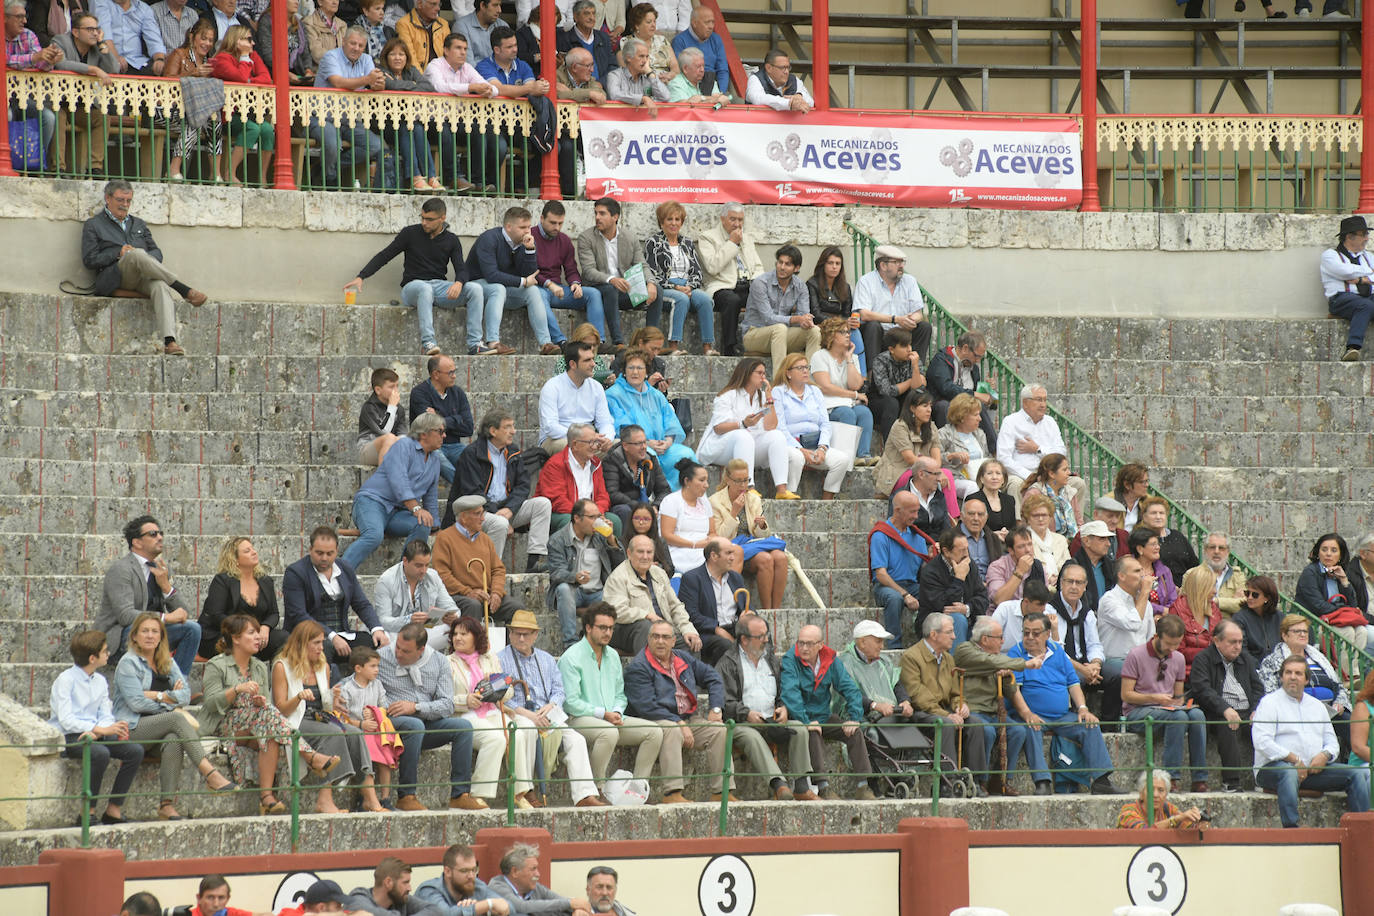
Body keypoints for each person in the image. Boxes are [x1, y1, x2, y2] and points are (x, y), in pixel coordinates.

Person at [80, 181, 208, 356]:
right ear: (108, 198)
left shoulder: (138, 224)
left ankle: (170, 341)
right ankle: (183, 289)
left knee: (160, 286)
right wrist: (119, 252)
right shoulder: (93, 225)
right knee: (135, 254)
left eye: (128, 201)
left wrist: (147, 260)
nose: (125, 205)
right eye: (120, 200)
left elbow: (156, 252)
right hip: (113, 277)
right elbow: (89, 260)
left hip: (141, 278)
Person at [197, 614, 309, 814]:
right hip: (224, 724)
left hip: (254, 726)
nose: (258, 637)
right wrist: (237, 689)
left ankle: (266, 797)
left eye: (258, 632)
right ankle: (310, 754)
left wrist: (259, 701)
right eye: (252, 633)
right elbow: (211, 703)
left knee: (271, 734)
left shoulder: (258, 666)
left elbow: (265, 704)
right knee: (267, 720)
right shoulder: (216, 665)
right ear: (236, 638)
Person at [498, 609, 609, 808]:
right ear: (510, 634)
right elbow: (501, 698)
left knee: (576, 740)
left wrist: (551, 706)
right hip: (519, 714)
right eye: (516, 633)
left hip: (548, 714)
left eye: (526, 633)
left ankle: (585, 795)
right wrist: (531, 715)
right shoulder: (500, 659)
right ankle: (528, 791)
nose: (521, 638)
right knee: (528, 729)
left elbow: (559, 690)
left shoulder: (547, 659)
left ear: (535, 635)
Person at [1007, 612, 1123, 795]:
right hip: (1033, 713)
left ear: (1047, 634)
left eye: (1035, 633)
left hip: (1062, 715)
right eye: (1026, 632)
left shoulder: (1058, 651)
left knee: (1090, 725)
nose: (1029, 637)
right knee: (1031, 727)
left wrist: (1083, 708)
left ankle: (1101, 780)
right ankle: (1042, 782)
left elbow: (1073, 683)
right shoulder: (1016, 653)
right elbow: (1014, 690)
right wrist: (1027, 713)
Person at [270, 621, 377, 814]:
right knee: (334, 732)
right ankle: (324, 799)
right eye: (316, 643)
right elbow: (280, 711)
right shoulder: (282, 666)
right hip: (294, 719)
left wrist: (333, 700)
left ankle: (370, 797)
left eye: (322, 642)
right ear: (302, 644)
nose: (321, 648)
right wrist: (298, 697)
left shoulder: (323, 666)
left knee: (354, 732)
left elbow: (324, 706)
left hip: (318, 717)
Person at [1253, 654, 1370, 827]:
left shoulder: (1317, 706)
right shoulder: (1268, 703)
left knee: (1357, 774)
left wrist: (1325, 755)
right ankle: (1292, 830)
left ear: (1307, 679)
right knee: (1288, 772)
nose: (1293, 677)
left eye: (1298, 673)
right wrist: (1294, 759)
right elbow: (1262, 741)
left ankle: (1362, 829)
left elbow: (1331, 741)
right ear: (1281, 676)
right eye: (1288, 672)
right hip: (1273, 769)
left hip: (1313, 770)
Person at [558, 603, 666, 790]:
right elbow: (570, 703)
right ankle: (595, 789)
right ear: (588, 628)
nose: (608, 633)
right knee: (608, 733)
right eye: (602, 628)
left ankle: (637, 790)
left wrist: (615, 711)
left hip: (610, 718)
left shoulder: (613, 656)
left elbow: (620, 695)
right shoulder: (571, 657)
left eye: (610, 628)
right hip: (577, 719)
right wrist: (603, 714)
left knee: (654, 732)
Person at [625, 619, 731, 802]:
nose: (660, 641)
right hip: (655, 720)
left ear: (674, 641)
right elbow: (646, 706)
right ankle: (672, 793)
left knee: (720, 731)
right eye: (655, 636)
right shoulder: (638, 666)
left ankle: (721, 792)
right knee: (672, 731)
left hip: (688, 718)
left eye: (665, 637)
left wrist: (715, 708)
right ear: (648, 639)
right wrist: (678, 722)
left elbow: (713, 677)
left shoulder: (682, 657)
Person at [377, 621, 478, 811]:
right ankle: (406, 796)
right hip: (392, 723)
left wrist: (416, 707)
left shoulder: (439, 661)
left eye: (406, 651)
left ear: (421, 649)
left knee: (463, 727)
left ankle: (460, 794)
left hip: (424, 722)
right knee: (414, 725)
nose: (398, 653)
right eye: (397, 646)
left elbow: (447, 705)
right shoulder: (382, 657)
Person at [714, 613, 816, 799]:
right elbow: (724, 702)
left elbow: (782, 691)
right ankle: (779, 784)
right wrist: (746, 714)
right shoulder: (727, 663)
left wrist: (783, 707)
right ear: (744, 640)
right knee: (752, 736)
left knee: (799, 729)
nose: (766, 640)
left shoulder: (771, 659)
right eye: (760, 637)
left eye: (766, 635)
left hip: (772, 720)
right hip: (741, 723)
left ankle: (802, 787)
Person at [49, 630, 144, 826]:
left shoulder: (99, 680)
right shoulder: (65, 680)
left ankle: (113, 809)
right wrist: (98, 730)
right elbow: (66, 720)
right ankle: (87, 812)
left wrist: (111, 727)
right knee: (100, 753)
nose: (108, 653)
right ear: (93, 658)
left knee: (134, 751)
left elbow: (105, 713)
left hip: (95, 732)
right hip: (69, 736)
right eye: (105, 651)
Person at [448, 409, 552, 573]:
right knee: (500, 523)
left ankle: (534, 563)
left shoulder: (513, 451)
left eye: (513, 426)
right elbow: (473, 492)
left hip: (506, 509)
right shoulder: (472, 453)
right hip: (475, 512)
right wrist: (499, 514)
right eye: (508, 427)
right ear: (493, 431)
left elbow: (523, 486)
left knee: (542, 504)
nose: (514, 431)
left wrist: (510, 510)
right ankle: (491, 572)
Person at [779, 624, 877, 799]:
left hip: (824, 716)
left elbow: (850, 689)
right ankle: (823, 786)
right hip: (800, 717)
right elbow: (790, 694)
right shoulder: (790, 659)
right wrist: (806, 721)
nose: (804, 648)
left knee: (855, 732)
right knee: (813, 733)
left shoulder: (830, 659)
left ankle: (863, 785)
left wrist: (854, 718)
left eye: (809, 644)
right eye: (800, 643)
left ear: (820, 645)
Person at [97, 515, 201, 678]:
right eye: (153, 534)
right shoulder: (121, 569)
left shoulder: (161, 568)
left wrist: (166, 586)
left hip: (152, 633)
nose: (159, 538)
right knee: (142, 630)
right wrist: (165, 618)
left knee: (192, 629)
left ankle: (176, 685)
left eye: (161, 533)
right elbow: (125, 616)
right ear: (137, 542)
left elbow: (183, 612)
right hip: (120, 638)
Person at [340, 412, 444, 572]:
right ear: (424, 433)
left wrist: (435, 526)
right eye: (440, 431)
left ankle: (403, 576)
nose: (444, 435)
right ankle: (338, 576)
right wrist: (416, 508)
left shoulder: (435, 460)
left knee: (424, 523)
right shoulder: (403, 446)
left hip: (399, 512)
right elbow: (399, 480)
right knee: (374, 535)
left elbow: (431, 495)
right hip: (373, 502)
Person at [952, 616, 1044, 796]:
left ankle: (1001, 778)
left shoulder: (1000, 658)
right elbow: (986, 662)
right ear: (985, 639)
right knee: (986, 731)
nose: (1003, 641)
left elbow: (1010, 689)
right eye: (999, 637)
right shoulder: (965, 650)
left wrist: (1007, 675)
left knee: (1017, 731)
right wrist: (1023, 664)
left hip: (994, 712)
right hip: (973, 710)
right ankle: (979, 779)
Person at [899, 613, 989, 796]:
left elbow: (955, 692)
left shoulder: (948, 658)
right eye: (949, 632)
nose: (954, 636)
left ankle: (975, 780)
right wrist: (946, 714)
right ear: (934, 635)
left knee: (977, 724)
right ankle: (947, 781)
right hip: (921, 713)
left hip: (943, 711)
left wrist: (959, 705)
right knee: (946, 725)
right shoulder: (911, 657)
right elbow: (918, 696)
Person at [282, 526, 390, 672]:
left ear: (337, 551)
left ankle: (365, 690)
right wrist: (331, 636)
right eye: (319, 553)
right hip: (308, 637)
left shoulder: (344, 568)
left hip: (342, 632)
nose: (324, 558)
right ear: (310, 550)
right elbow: (299, 615)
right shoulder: (296, 573)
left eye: (329, 553)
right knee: (324, 647)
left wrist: (377, 628)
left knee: (371, 642)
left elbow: (361, 604)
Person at [1120, 614, 1209, 791]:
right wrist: (1155, 698)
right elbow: (1126, 695)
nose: (1172, 648)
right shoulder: (1136, 655)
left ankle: (1200, 778)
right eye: (1168, 643)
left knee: (1197, 715)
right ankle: (1171, 777)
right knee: (1178, 717)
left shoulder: (1178, 658)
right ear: (1156, 637)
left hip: (1167, 708)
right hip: (1138, 710)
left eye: (1176, 644)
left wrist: (1181, 703)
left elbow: (1178, 694)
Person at [445, 616, 527, 808]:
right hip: (463, 716)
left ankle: (519, 792)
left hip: (491, 711)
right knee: (496, 738)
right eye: (455, 634)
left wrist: (496, 684)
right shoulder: (447, 662)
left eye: (464, 634)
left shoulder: (489, 658)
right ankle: (478, 793)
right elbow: (442, 699)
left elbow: (509, 692)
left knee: (518, 734)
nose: (458, 638)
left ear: (476, 637)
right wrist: (465, 700)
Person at [469, 205, 565, 357]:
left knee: (533, 291)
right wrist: (522, 281)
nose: (527, 231)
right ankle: (493, 342)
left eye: (528, 226)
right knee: (498, 288)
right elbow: (492, 275)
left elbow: (529, 275)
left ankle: (545, 343)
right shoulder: (489, 239)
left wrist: (530, 250)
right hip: (476, 287)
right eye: (522, 227)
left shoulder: (524, 242)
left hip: (504, 289)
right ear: (508, 227)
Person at [696, 358, 796, 499]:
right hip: (721, 447)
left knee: (777, 436)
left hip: (748, 448)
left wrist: (769, 401)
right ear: (748, 373)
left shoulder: (761, 397)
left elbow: (770, 426)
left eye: (764, 374)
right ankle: (749, 488)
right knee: (743, 435)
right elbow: (718, 428)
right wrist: (742, 424)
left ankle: (781, 490)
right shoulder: (728, 395)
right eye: (759, 373)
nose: (763, 377)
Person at [310, 26, 392, 190]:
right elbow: (338, 82)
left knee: (376, 146)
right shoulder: (330, 56)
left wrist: (379, 83)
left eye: (361, 45)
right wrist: (369, 79)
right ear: (344, 41)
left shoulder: (366, 59)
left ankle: (325, 169)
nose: (356, 48)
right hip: (322, 116)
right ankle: (329, 180)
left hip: (350, 119)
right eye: (353, 44)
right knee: (333, 144)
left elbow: (373, 83)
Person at [1257, 614, 1351, 755]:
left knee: (1356, 725)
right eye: (1297, 631)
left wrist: (1340, 702)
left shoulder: (1319, 658)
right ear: (1284, 635)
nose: (1302, 634)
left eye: (1305, 631)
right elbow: (1270, 692)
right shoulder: (1272, 661)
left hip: (1330, 712)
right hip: (1296, 713)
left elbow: (1339, 685)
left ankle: (1362, 767)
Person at [1188, 618, 1263, 793]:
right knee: (1226, 725)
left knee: (1268, 724)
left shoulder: (1245, 659)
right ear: (1217, 641)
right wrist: (1225, 709)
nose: (1237, 646)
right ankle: (1232, 781)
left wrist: (1256, 710)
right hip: (1217, 711)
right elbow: (1202, 689)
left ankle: (1268, 778)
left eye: (1240, 642)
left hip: (1246, 711)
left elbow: (1259, 688)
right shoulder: (1203, 659)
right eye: (1232, 642)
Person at [575, 198, 662, 346]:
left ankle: (651, 341)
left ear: (615, 217)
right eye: (596, 213)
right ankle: (618, 342)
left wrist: (651, 283)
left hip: (624, 291)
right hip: (599, 289)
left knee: (658, 291)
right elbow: (589, 271)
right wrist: (611, 279)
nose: (597, 217)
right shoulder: (586, 238)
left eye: (602, 214)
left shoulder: (630, 237)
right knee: (611, 289)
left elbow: (642, 265)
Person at [708, 458, 790, 610]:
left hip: (752, 544)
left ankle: (775, 610)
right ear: (727, 479)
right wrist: (734, 512)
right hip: (733, 547)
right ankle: (767, 610)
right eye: (738, 481)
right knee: (765, 559)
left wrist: (762, 525)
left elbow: (761, 535)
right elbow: (719, 537)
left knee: (780, 557)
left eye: (746, 480)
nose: (743, 485)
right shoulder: (715, 501)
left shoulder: (753, 499)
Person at [606, 350, 694, 489]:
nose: (635, 372)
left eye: (640, 368)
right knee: (649, 454)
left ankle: (685, 500)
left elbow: (670, 422)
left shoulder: (656, 395)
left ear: (647, 371)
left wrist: (668, 442)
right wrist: (647, 443)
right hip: (637, 446)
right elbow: (621, 427)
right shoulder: (614, 395)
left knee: (686, 454)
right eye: (631, 368)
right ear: (624, 371)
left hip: (662, 446)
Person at [770, 353, 853, 499]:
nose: (805, 371)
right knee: (797, 457)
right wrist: (800, 449)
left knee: (842, 459)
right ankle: (789, 495)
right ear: (788, 373)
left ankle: (826, 499)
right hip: (791, 444)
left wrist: (822, 447)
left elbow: (825, 424)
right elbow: (780, 426)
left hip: (814, 444)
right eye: (800, 368)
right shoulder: (778, 392)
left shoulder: (815, 391)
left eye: (806, 367)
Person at [432, 495, 525, 625]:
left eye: (483, 514)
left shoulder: (485, 539)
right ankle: (471, 645)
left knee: (517, 609)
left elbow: (498, 569)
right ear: (463, 517)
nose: (483, 518)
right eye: (478, 514)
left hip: (485, 595)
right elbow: (442, 574)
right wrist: (468, 592)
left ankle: (511, 645)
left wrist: (497, 593)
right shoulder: (445, 538)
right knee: (472, 605)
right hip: (459, 596)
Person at [603, 534, 702, 655]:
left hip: (662, 629)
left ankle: (684, 674)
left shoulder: (659, 573)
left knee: (691, 642)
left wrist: (688, 629)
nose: (645, 557)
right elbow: (616, 611)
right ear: (629, 553)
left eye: (649, 552)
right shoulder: (618, 577)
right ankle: (648, 671)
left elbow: (675, 606)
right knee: (646, 627)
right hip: (627, 631)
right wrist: (646, 615)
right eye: (640, 552)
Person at [424, 32, 497, 191]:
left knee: (479, 130)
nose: (463, 52)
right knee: (444, 129)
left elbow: (493, 89)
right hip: (432, 120)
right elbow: (440, 87)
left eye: (465, 48)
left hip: (458, 120)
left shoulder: (467, 68)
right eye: (458, 48)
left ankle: (477, 182)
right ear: (446, 50)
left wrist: (487, 91)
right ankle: (453, 179)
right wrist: (470, 88)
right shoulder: (435, 65)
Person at [643, 202, 716, 356]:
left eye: (677, 219)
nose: (674, 223)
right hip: (665, 288)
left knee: (705, 300)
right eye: (669, 219)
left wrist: (690, 286)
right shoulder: (653, 243)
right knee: (681, 299)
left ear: (682, 222)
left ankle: (708, 347)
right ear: (662, 222)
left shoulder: (687, 243)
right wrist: (675, 287)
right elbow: (652, 273)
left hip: (687, 286)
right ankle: (673, 346)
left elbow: (697, 271)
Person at [374, 37, 446, 194]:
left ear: (406, 56)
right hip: (385, 125)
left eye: (401, 54)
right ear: (386, 56)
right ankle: (414, 176)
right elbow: (389, 84)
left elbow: (428, 87)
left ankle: (430, 176)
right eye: (393, 54)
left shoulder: (411, 71)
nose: (398, 58)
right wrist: (413, 85)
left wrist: (403, 85)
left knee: (417, 127)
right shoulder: (380, 71)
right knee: (408, 127)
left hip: (409, 124)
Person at [534, 200, 610, 344]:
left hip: (559, 290)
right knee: (538, 295)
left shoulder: (564, 240)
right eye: (552, 222)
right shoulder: (530, 237)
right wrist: (550, 285)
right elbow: (528, 271)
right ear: (542, 218)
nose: (557, 227)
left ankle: (598, 342)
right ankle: (560, 342)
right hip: (538, 288)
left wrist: (575, 284)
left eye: (560, 223)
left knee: (593, 294)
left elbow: (571, 269)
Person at [52, 13, 118, 175]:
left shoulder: (96, 47)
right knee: (58, 117)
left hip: (82, 105)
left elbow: (114, 69)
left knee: (101, 117)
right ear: (75, 32)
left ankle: (95, 167)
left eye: (97, 29)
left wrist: (103, 44)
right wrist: (94, 70)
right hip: (58, 102)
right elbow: (60, 63)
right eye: (89, 29)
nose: (95, 33)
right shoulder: (60, 41)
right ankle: (58, 169)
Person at [995, 383, 1083, 506]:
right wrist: (1030, 476)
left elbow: (1061, 453)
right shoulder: (1011, 422)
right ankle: (1019, 524)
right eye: (1039, 400)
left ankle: (1072, 523)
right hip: (1021, 474)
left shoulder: (1050, 422)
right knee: (1014, 484)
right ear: (1025, 402)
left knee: (1078, 483)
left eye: (1045, 400)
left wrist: (1038, 449)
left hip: (1049, 474)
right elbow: (1003, 458)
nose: (1043, 405)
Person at [199, 536, 284, 661]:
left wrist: (265, 627)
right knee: (245, 643)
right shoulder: (222, 580)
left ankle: (277, 678)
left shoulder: (265, 581)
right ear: (235, 560)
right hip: (225, 635)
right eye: (247, 551)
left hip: (256, 636)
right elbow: (216, 615)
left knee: (283, 638)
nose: (254, 552)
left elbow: (273, 614)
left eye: (253, 549)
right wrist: (244, 631)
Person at [209, 24, 275, 185]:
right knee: (252, 128)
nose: (253, 44)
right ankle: (230, 173)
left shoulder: (253, 56)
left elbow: (267, 78)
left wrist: (249, 80)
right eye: (249, 39)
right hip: (225, 115)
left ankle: (262, 177)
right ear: (237, 40)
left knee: (267, 130)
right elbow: (239, 78)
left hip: (248, 112)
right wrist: (244, 59)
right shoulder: (222, 59)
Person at [1096, 555, 1158, 726]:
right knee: (1124, 672)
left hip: (1139, 660)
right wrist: (1145, 592)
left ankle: (1148, 717)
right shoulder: (1109, 599)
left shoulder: (1146, 604)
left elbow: (1150, 637)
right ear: (1122, 576)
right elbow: (1131, 623)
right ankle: (1109, 723)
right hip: (1113, 660)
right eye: (1137, 571)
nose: (1143, 575)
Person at [334, 645, 398, 808]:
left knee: (385, 756)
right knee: (366, 755)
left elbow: (385, 706)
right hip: (358, 731)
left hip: (376, 730)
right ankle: (364, 797)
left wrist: (375, 711)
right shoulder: (347, 689)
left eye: (377, 666)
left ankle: (385, 797)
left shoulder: (377, 685)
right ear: (358, 668)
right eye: (372, 666)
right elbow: (342, 717)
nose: (377, 670)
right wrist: (361, 723)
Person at [853, 245, 930, 379]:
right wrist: (895, 319)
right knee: (872, 326)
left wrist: (911, 320)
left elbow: (919, 313)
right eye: (896, 262)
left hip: (903, 333)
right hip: (880, 334)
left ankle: (917, 373)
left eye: (902, 262)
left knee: (924, 327)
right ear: (883, 265)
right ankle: (873, 377)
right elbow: (864, 314)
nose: (901, 266)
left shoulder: (909, 281)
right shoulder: (866, 281)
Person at [698, 203, 765, 358]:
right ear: (722, 219)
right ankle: (729, 347)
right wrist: (732, 243)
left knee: (765, 296)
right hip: (721, 287)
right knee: (732, 300)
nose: (737, 224)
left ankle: (761, 345)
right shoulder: (707, 237)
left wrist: (758, 283)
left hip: (746, 284)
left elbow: (757, 266)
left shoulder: (747, 238)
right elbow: (713, 267)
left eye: (740, 220)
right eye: (733, 219)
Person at [536, 422, 622, 540]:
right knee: (568, 521)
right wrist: (586, 517)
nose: (595, 447)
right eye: (590, 442)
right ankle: (568, 557)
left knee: (614, 521)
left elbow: (603, 496)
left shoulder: (596, 464)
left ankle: (609, 558)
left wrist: (598, 514)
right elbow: (557, 501)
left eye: (596, 442)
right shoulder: (555, 464)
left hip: (590, 515)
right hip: (564, 513)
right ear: (575, 444)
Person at [162, 20, 223, 181]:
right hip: (167, 110)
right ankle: (173, 169)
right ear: (192, 37)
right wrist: (193, 73)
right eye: (203, 38)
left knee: (215, 120)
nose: (207, 43)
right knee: (195, 121)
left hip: (193, 112)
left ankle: (215, 174)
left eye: (210, 40)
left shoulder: (209, 63)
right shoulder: (179, 54)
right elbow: (167, 81)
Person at [870, 490, 932, 649]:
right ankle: (894, 646)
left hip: (911, 584)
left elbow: (923, 568)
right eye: (912, 512)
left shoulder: (917, 536)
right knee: (894, 598)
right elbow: (881, 574)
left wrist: (933, 558)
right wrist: (904, 594)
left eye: (917, 511)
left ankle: (928, 643)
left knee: (934, 594)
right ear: (897, 511)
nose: (916, 516)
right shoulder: (881, 534)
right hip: (887, 586)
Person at [740, 245, 818, 371]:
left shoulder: (801, 286)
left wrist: (806, 321)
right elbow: (768, 319)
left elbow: (803, 315)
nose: (782, 267)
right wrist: (796, 319)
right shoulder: (760, 283)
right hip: (753, 334)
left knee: (814, 332)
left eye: (787, 264)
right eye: (780, 262)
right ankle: (780, 384)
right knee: (780, 329)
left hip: (781, 335)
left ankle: (808, 381)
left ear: (796, 268)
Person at [1296, 532, 1373, 654]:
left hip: (1338, 620)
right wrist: (1343, 610)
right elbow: (1319, 606)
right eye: (1324, 550)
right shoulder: (1310, 573)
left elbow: (1353, 604)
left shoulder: (1340, 571)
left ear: (1340, 555)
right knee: (1347, 631)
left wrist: (1344, 581)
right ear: (1318, 552)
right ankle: (1345, 672)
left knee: (1362, 632)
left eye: (1333, 550)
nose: (1328, 554)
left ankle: (1355, 672)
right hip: (1315, 622)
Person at [810, 316, 874, 464]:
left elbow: (855, 384)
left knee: (864, 413)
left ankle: (863, 455)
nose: (848, 335)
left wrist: (849, 359)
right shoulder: (819, 356)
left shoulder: (852, 357)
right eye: (843, 332)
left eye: (848, 332)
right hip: (827, 406)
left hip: (847, 403)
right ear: (831, 335)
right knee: (847, 414)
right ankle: (845, 457)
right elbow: (825, 387)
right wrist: (854, 395)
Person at [677, 538, 747, 665]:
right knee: (725, 644)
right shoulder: (692, 578)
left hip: (734, 627)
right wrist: (716, 628)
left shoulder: (736, 577)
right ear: (714, 556)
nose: (732, 558)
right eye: (728, 553)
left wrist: (749, 614)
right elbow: (691, 614)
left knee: (761, 632)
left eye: (733, 553)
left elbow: (747, 605)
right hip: (708, 632)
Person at [916, 527, 989, 646]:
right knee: (957, 620)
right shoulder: (930, 572)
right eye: (961, 550)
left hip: (968, 619)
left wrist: (967, 608)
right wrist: (959, 579)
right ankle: (955, 664)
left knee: (990, 625)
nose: (966, 554)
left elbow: (983, 598)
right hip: (935, 623)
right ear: (946, 552)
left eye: (967, 549)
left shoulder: (970, 565)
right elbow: (943, 606)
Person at [539, 341, 616, 453]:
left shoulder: (596, 387)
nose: (593, 364)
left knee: (620, 446)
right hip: (558, 440)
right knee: (576, 447)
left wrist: (607, 439)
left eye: (592, 359)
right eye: (587, 360)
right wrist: (584, 438)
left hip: (590, 440)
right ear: (573, 364)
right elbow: (550, 427)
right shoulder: (552, 387)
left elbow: (605, 422)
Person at [409, 354, 476, 482]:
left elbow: (468, 428)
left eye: (454, 372)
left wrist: (439, 418)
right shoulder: (419, 393)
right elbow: (428, 427)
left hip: (454, 445)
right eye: (450, 373)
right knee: (437, 457)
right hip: (430, 446)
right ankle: (463, 489)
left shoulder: (458, 393)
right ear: (436, 375)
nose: (454, 376)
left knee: (472, 457)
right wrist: (456, 419)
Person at [1052, 561, 1110, 704]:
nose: (1074, 587)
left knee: (1116, 674)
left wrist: (1095, 665)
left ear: (1085, 586)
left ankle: (1109, 723)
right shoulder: (1050, 610)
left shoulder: (1087, 612)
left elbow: (1095, 645)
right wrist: (1083, 670)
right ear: (1062, 583)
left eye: (1079, 583)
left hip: (1085, 664)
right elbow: (1055, 651)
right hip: (1060, 664)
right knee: (1075, 676)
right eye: (1070, 581)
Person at [927, 330, 998, 444]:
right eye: (976, 356)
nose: (978, 361)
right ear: (965, 348)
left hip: (966, 406)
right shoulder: (941, 360)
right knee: (944, 406)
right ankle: (950, 446)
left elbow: (975, 391)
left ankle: (994, 451)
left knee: (981, 407)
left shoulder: (973, 368)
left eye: (981, 357)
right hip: (943, 403)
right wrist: (975, 394)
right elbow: (946, 388)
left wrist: (986, 389)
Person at [1320, 214, 1374, 362]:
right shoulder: (1330, 255)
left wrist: (1359, 279)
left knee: (1367, 304)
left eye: (1366, 234)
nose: (1367, 238)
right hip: (1341, 298)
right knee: (1365, 306)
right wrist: (1368, 274)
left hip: (1368, 297)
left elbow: (1349, 272)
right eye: (1363, 235)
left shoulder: (1368, 256)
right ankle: (1353, 347)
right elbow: (1343, 271)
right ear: (1349, 237)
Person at [601, 424, 670, 533]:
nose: (644, 447)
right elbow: (612, 493)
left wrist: (656, 506)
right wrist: (640, 508)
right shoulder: (612, 460)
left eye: (644, 442)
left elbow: (664, 490)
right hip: (624, 507)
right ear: (625, 446)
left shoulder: (650, 459)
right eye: (638, 443)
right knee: (624, 510)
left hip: (647, 506)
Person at [490, 845, 593, 915]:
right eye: (533, 869)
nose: (538, 874)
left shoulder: (534, 888)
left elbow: (560, 900)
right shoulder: (497, 886)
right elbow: (521, 907)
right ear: (515, 872)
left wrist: (577, 910)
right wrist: (569, 904)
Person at [874, 387, 938, 500]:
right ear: (912, 408)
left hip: (925, 471)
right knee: (920, 477)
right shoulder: (900, 426)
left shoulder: (932, 427)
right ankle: (918, 514)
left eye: (930, 406)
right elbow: (910, 459)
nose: (929, 410)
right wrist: (932, 472)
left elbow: (937, 457)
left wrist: (937, 471)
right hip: (898, 472)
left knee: (947, 475)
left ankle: (952, 517)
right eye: (925, 406)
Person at [657, 459, 717, 579]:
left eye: (706, 480)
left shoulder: (705, 502)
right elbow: (666, 535)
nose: (707, 485)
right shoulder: (671, 501)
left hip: (703, 549)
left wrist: (711, 541)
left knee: (731, 553)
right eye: (701, 480)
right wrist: (694, 544)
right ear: (687, 481)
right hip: (679, 551)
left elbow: (712, 532)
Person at [415, 845, 510, 916]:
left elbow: (508, 907)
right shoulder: (429, 890)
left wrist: (487, 909)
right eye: (464, 871)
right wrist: (486, 905)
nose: (471, 876)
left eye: (473, 870)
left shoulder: (476, 885)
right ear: (447, 871)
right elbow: (445, 914)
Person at [867, 327, 925, 439]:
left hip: (903, 399)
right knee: (891, 403)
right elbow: (887, 391)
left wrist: (915, 367)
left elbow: (919, 389)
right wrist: (910, 381)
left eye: (909, 345)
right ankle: (890, 446)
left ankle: (917, 441)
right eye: (904, 346)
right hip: (880, 401)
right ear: (891, 349)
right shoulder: (880, 360)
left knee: (918, 400)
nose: (909, 349)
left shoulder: (914, 360)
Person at [1136, 497, 1200, 591]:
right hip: (1157, 594)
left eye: (1161, 513)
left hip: (1184, 593)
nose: (1158, 517)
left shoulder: (1178, 536)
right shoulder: (1140, 539)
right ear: (1144, 517)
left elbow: (1193, 565)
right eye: (1153, 513)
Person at [1169, 565, 1222, 679]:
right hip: (1188, 674)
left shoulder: (1213, 608)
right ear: (1200, 588)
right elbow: (1177, 651)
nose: (1214, 591)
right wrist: (1210, 653)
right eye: (1211, 587)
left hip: (1214, 671)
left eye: (1215, 586)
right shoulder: (1177, 611)